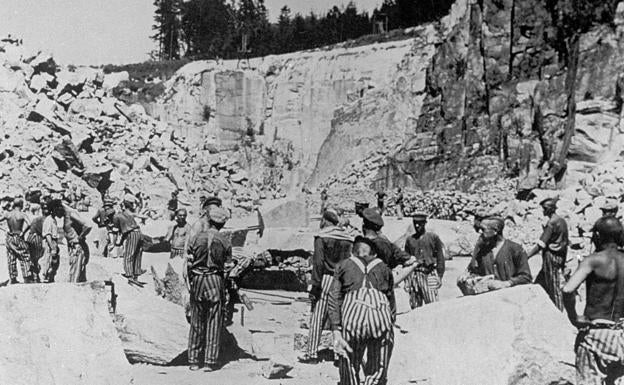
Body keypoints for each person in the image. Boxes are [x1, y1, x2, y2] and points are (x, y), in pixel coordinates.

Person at [562, 217, 624, 385]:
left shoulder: (593, 260)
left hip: (597, 334)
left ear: (597, 235)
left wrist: (574, 317)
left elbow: (568, 289)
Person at [329, 236, 395, 385]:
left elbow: (334, 297)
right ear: (374, 255)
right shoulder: (384, 268)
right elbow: (391, 303)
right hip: (380, 316)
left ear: (353, 253)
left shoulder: (343, 265)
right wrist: (389, 326)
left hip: (353, 316)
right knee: (379, 365)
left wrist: (336, 327)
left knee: (349, 361)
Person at [300, 208, 354, 364]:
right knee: (338, 317)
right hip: (341, 280)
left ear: (325, 220)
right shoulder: (347, 238)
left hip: (326, 279)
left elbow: (318, 263)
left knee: (318, 315)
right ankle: (339, 355)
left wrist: (315, 285)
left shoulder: (322, 237)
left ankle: (312, 354)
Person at [185, 206, 232, 372]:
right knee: (214, 320)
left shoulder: (197, 238)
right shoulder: (225, 241)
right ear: (221, 224)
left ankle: (193, 360)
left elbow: (189, 262)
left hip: (198, 279)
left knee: (197, 319)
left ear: (209, 220)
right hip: (214, 280)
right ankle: (210, 361)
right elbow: (227, 267)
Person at [466, 217, 532, 290]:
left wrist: (507, 283)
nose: (480, 233)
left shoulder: (516, 249)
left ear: (495, 231)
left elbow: (526, 277)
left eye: (483, 230)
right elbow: (473, 271)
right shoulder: (482, 251)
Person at [527, 197, 569, 310]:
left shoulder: (552, 223)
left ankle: (560, 313)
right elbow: (566, 242)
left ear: (551, 209)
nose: (543, 211)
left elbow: (541, 244)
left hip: (551, 256)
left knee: (554, 287)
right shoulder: (562, 221)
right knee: (540, 283)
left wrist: (527, 256)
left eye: (545, 208)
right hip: (560, 255)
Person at [403, 213, 445, 309]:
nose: (417, 226)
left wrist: (439, 276)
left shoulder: (433, 237)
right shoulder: (410, 240)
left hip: (428, 274)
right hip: (414, 275)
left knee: (433, 305)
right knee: (415, 306)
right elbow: (406, 260)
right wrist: (406, 280)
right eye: (415, 223)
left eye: (420, 223)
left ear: (425, 223)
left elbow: (440, 258)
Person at [51, 200, 92, 283]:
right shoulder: (67, 214)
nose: (56, 215)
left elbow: (88, 225)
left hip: (77, 247)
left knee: (74, 276)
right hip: (73, 246)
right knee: (78, 275)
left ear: (59, 208)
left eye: (55, 212)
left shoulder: (71, 213)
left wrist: (80, 237)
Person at [111, 195, 144, 282]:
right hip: (138, 232)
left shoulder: (118, 216)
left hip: (131, 234)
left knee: (129, 254)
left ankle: (129, 274)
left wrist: (114, 243)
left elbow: (116, 231)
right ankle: (136, 273)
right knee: (137, 253)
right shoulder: (131, 214)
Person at [1, 199, 34, 284]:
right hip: (18, 236)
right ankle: (27, 277)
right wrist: (23, 232)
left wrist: (5, 230)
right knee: (25, 255)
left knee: (11, 257)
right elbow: (30, 224)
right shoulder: (22, 214)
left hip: (9, 237)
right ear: (21, 205)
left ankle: (13, 278)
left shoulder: (7, 214)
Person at [40, 202, 60, 283]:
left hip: (53, 242)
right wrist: (52, 247)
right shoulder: (49, 220)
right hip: (49, 243)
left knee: (54, 262)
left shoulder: (53, 220)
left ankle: (50, 277)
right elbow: (48, 235)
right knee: (47, 260)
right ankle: (45, 277)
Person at [26, 204, 46, 282]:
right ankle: (36, 276)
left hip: (30, 237)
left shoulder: (30, 217)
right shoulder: (41, 219)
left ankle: (33, 275)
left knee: (31, 258)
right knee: (36, 258)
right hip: (37, 238)